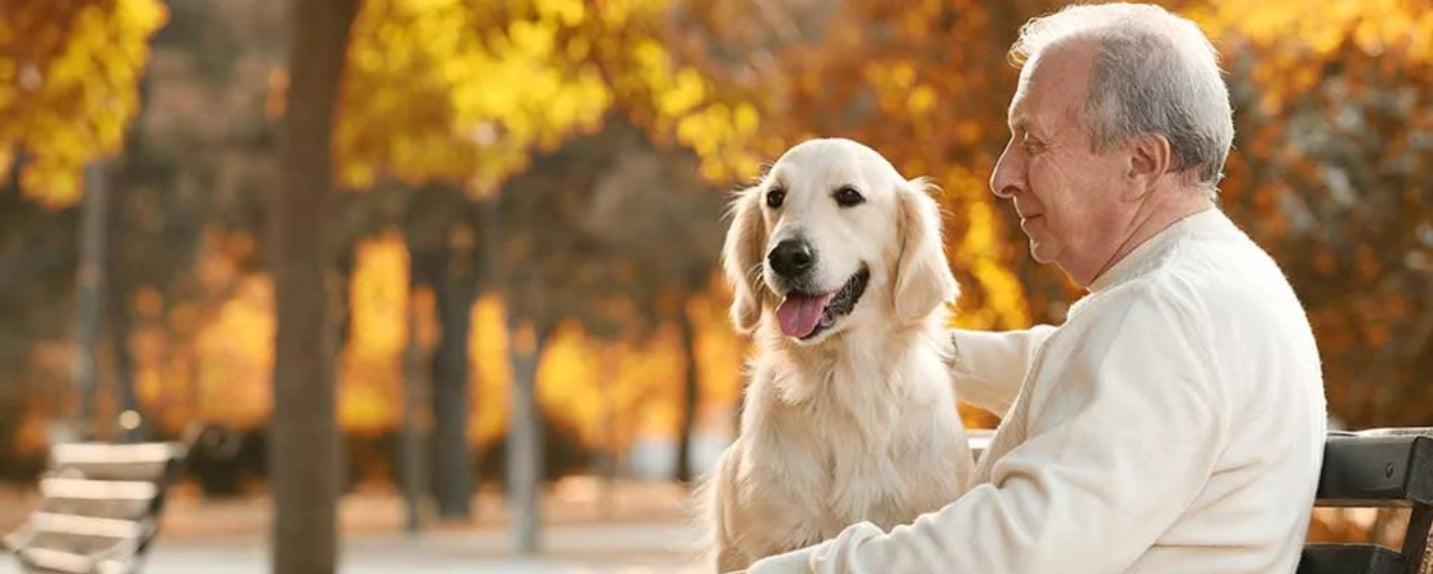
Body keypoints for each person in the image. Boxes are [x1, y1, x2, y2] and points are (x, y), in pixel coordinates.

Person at [739, 3, 1328, 573]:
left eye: (1034, 141)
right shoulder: (1208, 284)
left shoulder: (1166, 314)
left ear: (1141, 163)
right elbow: (1066, 364)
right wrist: (895, 340)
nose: (1003, 176)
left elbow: (1016, 550)